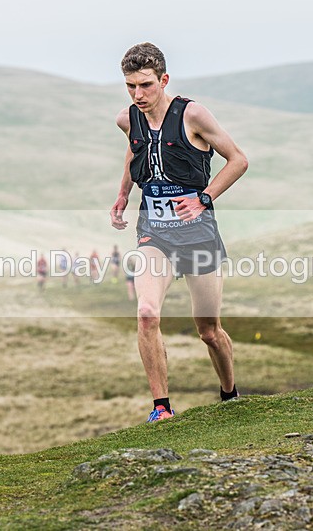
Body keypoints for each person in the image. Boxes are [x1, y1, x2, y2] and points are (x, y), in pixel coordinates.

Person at [110, 42, 249, 423]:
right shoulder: (127, 119)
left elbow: (238, 160)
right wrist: (123, 194)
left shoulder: (193, 115)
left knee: (209, 331)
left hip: (198, 234)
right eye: (130, 86)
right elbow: (134, 150)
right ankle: (162, 408)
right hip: (154, 233)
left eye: (146, 85)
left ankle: (230, 394)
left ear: (164, 80)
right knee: (146, 313)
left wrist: (204, 198)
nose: (138, 95)